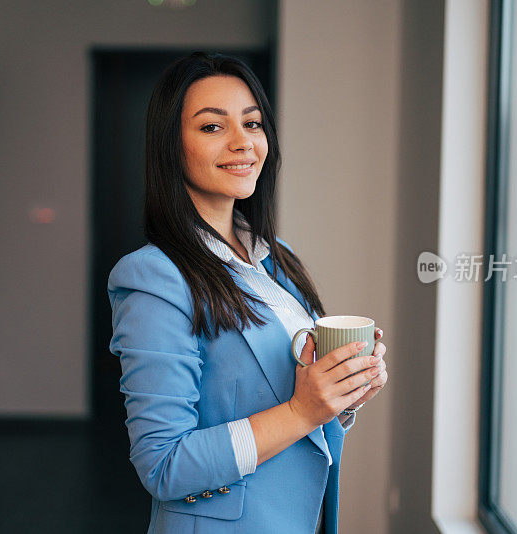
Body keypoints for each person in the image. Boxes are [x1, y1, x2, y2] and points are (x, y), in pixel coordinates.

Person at [107, 51, 388, 534]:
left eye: (252, 123)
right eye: (213, 127)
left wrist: (340, 394)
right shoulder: (153, 278)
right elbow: (162, 464)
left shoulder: (274, 256)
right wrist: (304, 410)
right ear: (171, 147)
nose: (242, 143)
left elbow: (291, 403)